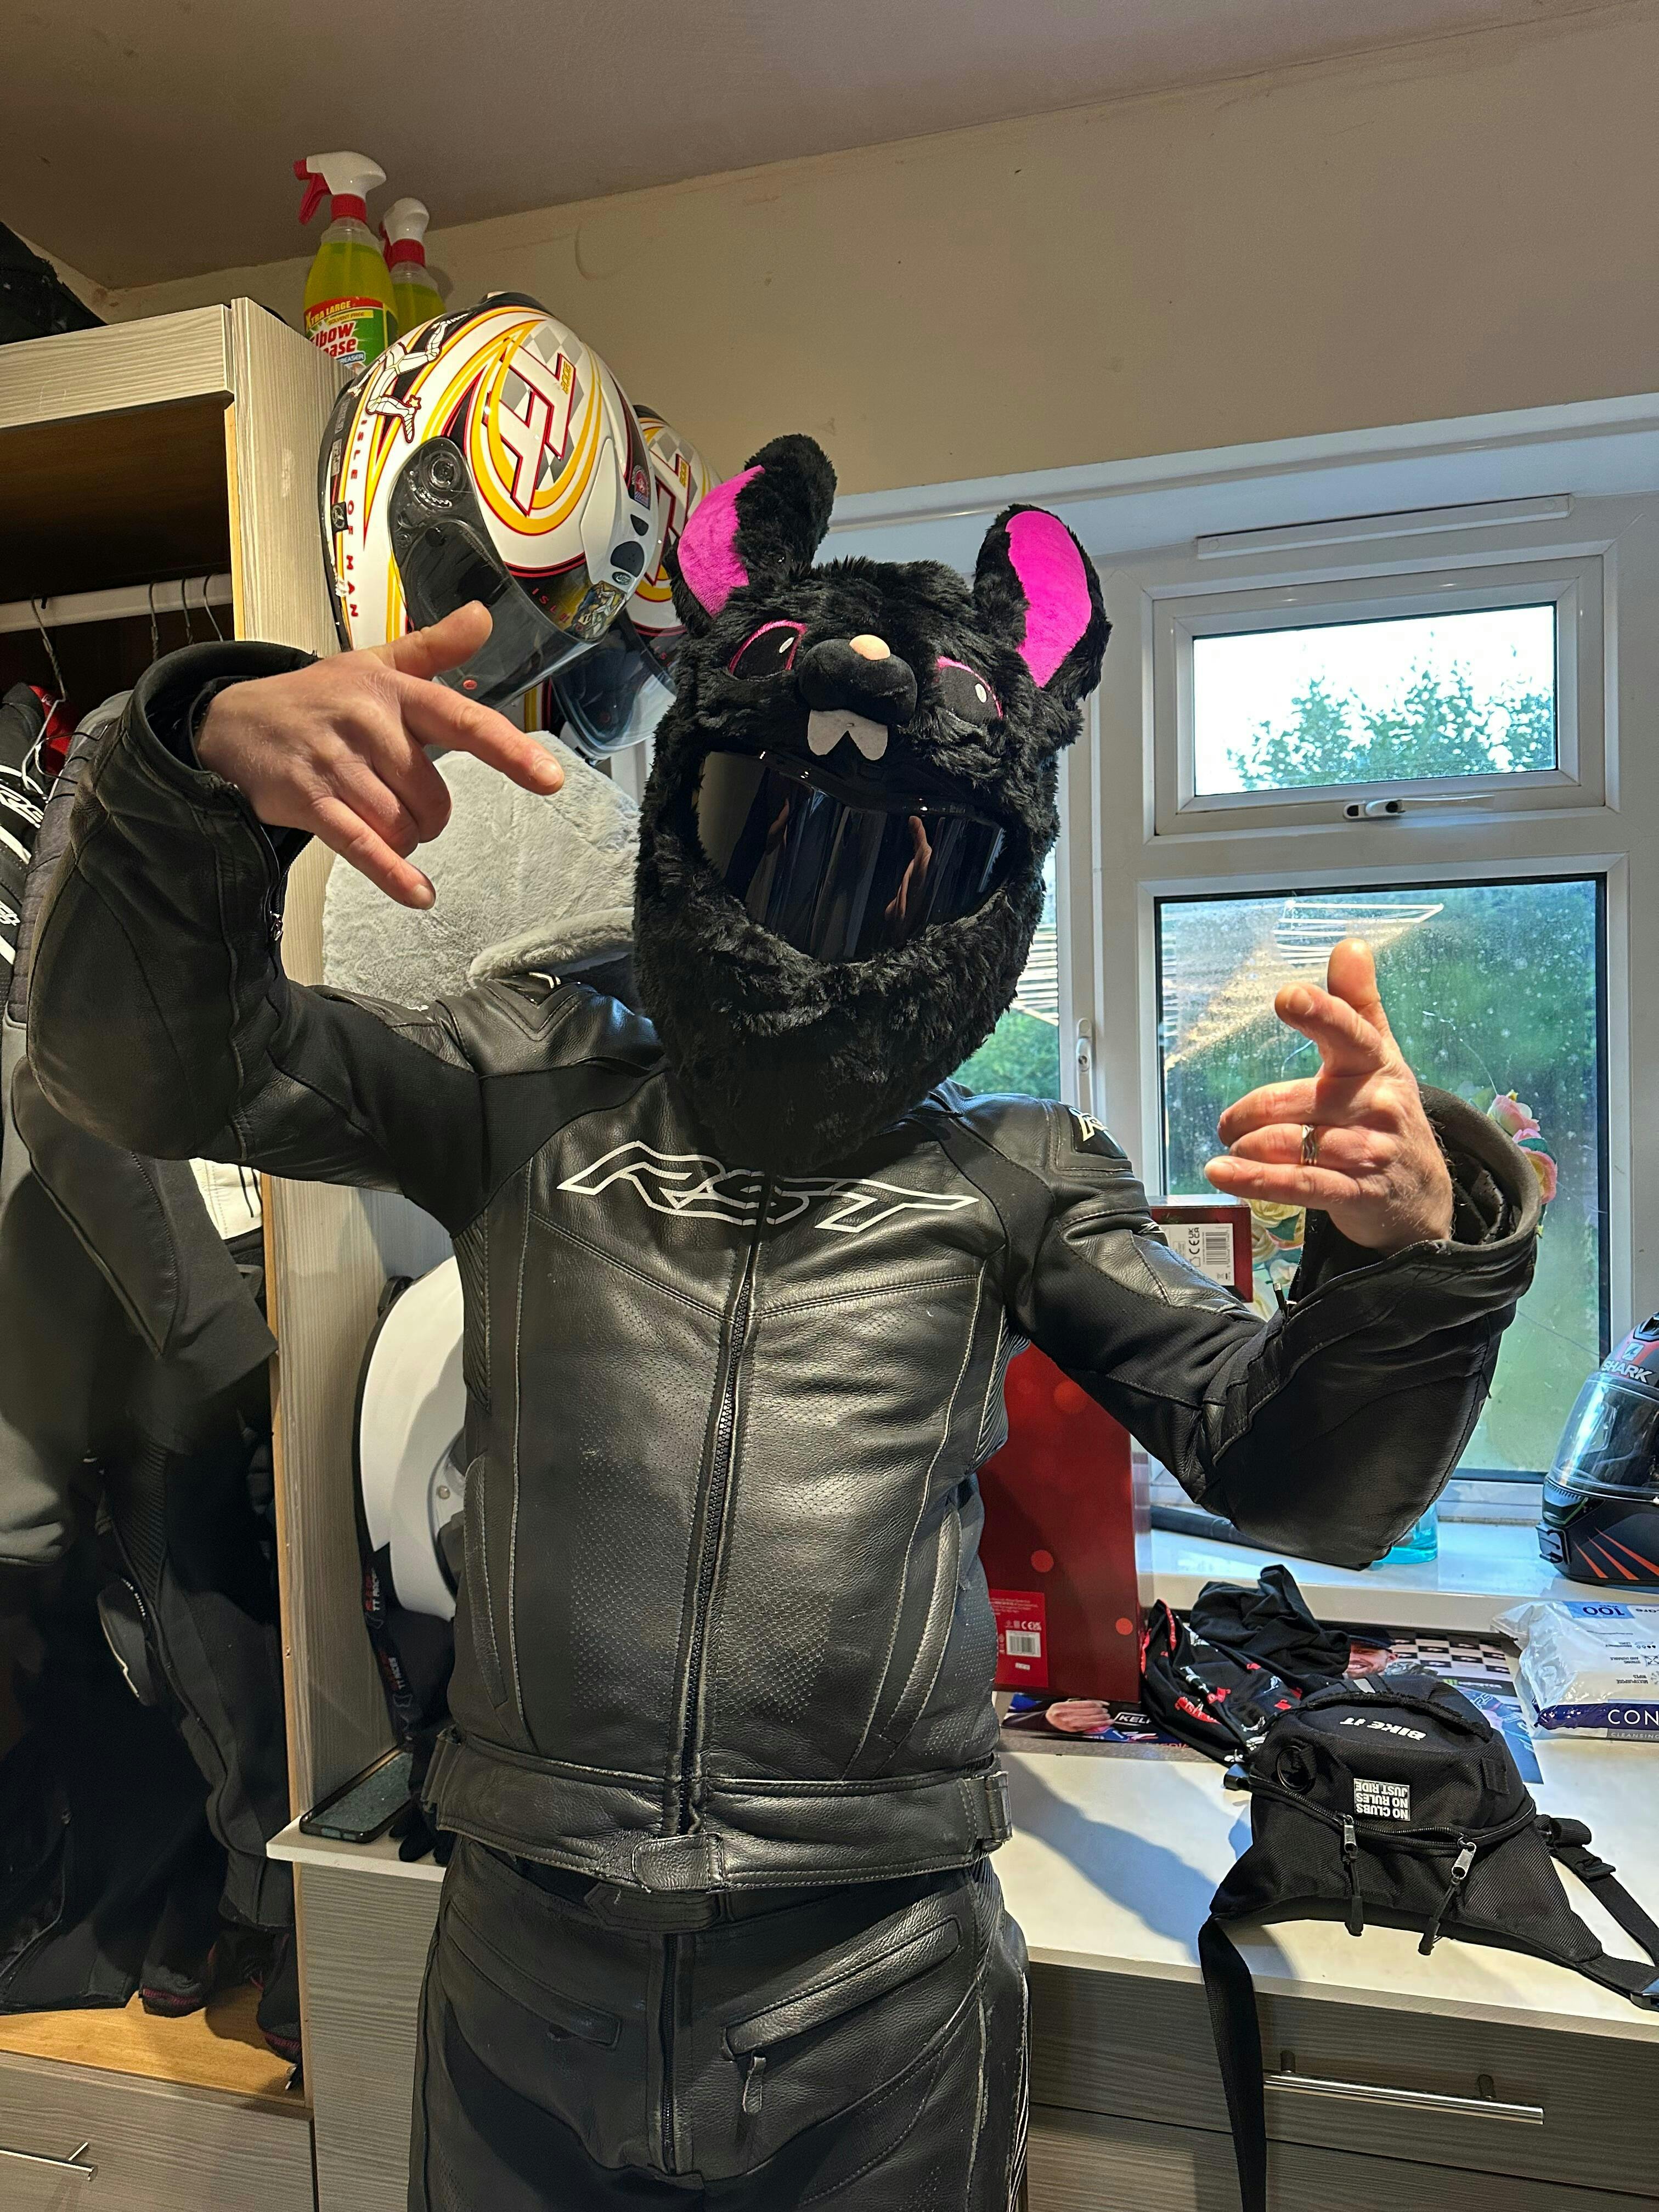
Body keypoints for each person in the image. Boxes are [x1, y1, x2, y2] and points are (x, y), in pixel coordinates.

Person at [27, 436, 1538, 2211]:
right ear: (695, 818)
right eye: (775, 826)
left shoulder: (1016, 1178)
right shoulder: (516, 1097)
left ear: (983, 897)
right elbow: (139, 1070)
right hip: (528, 1963)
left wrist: (1405, 1250)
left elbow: (1307, 1485)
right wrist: (190, 754)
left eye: (907, 865)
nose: (830, 911)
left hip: (873, 1999)